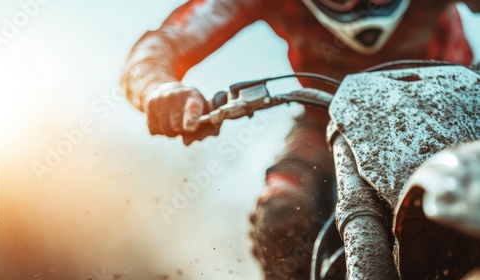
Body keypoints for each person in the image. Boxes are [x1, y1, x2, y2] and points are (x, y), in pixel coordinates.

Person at [121, 1, 479, 279]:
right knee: (282, 214)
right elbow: (163, 43)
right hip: (325, 117)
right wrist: (161, 90)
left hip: (452, 105)